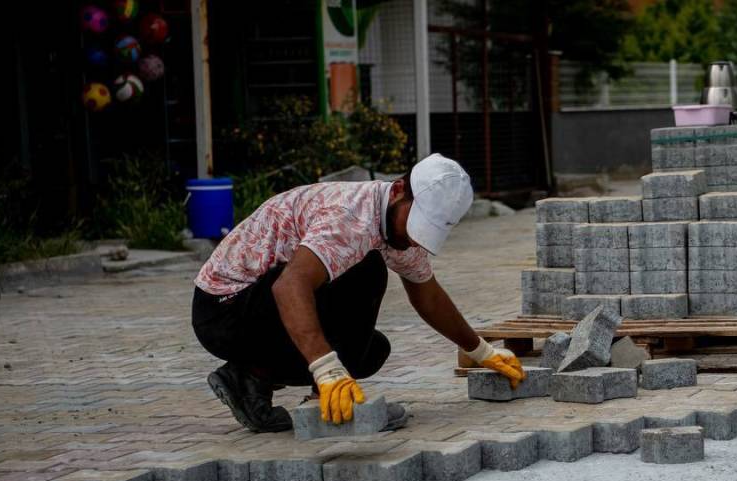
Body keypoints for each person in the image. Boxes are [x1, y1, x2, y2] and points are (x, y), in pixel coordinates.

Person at [191, 153, 525, 432]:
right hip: (225, 309)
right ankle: (325, 400)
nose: (414, 238)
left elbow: (428, 295)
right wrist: (327, 372)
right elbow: (289, 286)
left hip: (257, 312)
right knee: (366, 270)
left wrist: (480, 351)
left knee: (370, 350)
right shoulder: (351, 218)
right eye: (415, 224)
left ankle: (248, 379)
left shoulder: (395, 225)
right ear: (397, 191)